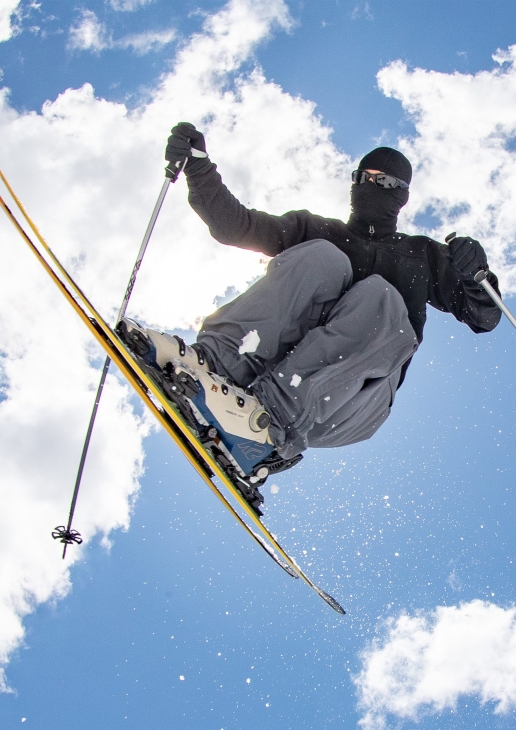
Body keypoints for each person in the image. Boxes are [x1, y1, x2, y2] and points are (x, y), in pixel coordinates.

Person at [118, 122, 501, 504]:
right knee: (323, 257)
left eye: (385, 182)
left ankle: (266, 424)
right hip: (269, 367)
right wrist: (199, 169)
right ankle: (213, 364)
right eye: (363, 178)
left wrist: (475, 275)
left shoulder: (423, 256)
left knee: (381, 296)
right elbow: (238, 226)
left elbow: (484, 317)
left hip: (352, 401)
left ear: (401, 196)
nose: (371, 186)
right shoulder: (318, 231)